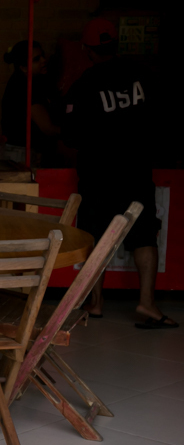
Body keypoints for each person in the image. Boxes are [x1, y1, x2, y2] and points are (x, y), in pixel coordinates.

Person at [62, 18, 174, 329]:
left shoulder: (83, 86)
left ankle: (96, 304)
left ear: (87, 49)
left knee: (96, 237)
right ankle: (148, 304)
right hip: (136, 171)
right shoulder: (143, 77)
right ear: (116, 46)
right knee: (143, 235)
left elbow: (69, 136)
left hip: (98, 176)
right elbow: (162, 118)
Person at [0, 40, 61, 165]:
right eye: (36, 59)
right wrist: (77, 133)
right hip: (24, 156)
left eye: (42, 55)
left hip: (19, 153)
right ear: (23, 67)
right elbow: (47, 127)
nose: (44, 60)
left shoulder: (25, 81)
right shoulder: (25, 86)